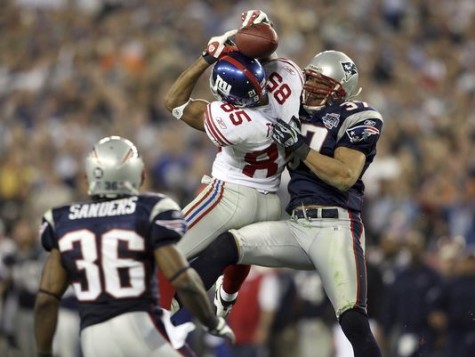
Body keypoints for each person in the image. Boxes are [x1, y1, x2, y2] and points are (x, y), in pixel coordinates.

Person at [188, 45, 384, 356]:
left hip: (337, 227)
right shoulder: (291, 107)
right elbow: (255, 83)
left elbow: (345, 175)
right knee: (228, 245)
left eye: (321, 85)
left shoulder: (356, 115)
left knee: (353, 321)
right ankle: (180, 311)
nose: (310, 89)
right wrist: (242, 45)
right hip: (296, 225)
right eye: (310, 80)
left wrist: (301, 149)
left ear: (339, 92)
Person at [33, 136, 234, 357]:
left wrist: (43, 352)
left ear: (88, 176)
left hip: (94, 339)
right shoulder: (150, 210)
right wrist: (211, 321)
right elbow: (183, 281)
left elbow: (46, 300)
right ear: (139, 174)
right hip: (141, 327)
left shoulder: (63, 220)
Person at [162, 9, 304, 313]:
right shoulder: (290, 75)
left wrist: (208, 56)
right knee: (238, 247)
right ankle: (226, 298)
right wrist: (257, 35)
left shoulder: (235, 121)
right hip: (269, 202)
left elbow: (173, 102)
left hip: (230, 195)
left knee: (163, 255)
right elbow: (267, 57)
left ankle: (156, 328)